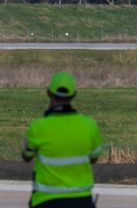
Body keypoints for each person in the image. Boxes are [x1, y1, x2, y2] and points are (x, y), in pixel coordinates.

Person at [22, 72, 103, 208]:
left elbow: (26, 156)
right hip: (81, 200)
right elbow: (94, 158)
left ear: (48, 93)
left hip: (45, 200)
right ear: (74, 95)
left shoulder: (38, 127)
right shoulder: (89, 125)